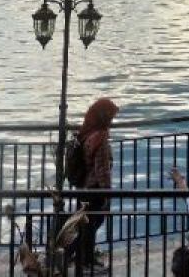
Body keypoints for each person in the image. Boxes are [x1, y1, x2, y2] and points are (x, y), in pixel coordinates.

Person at [75, 98, 119, 270]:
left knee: (86, 225)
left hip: (83, 187)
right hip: (95, 189)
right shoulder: (100, 137)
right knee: (92, 224)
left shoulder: (86, 132)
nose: (112, 121)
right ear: (104, 117)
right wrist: (107, 192)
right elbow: (102, 169)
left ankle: (84, 257)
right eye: (111, 117)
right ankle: (87, 262)